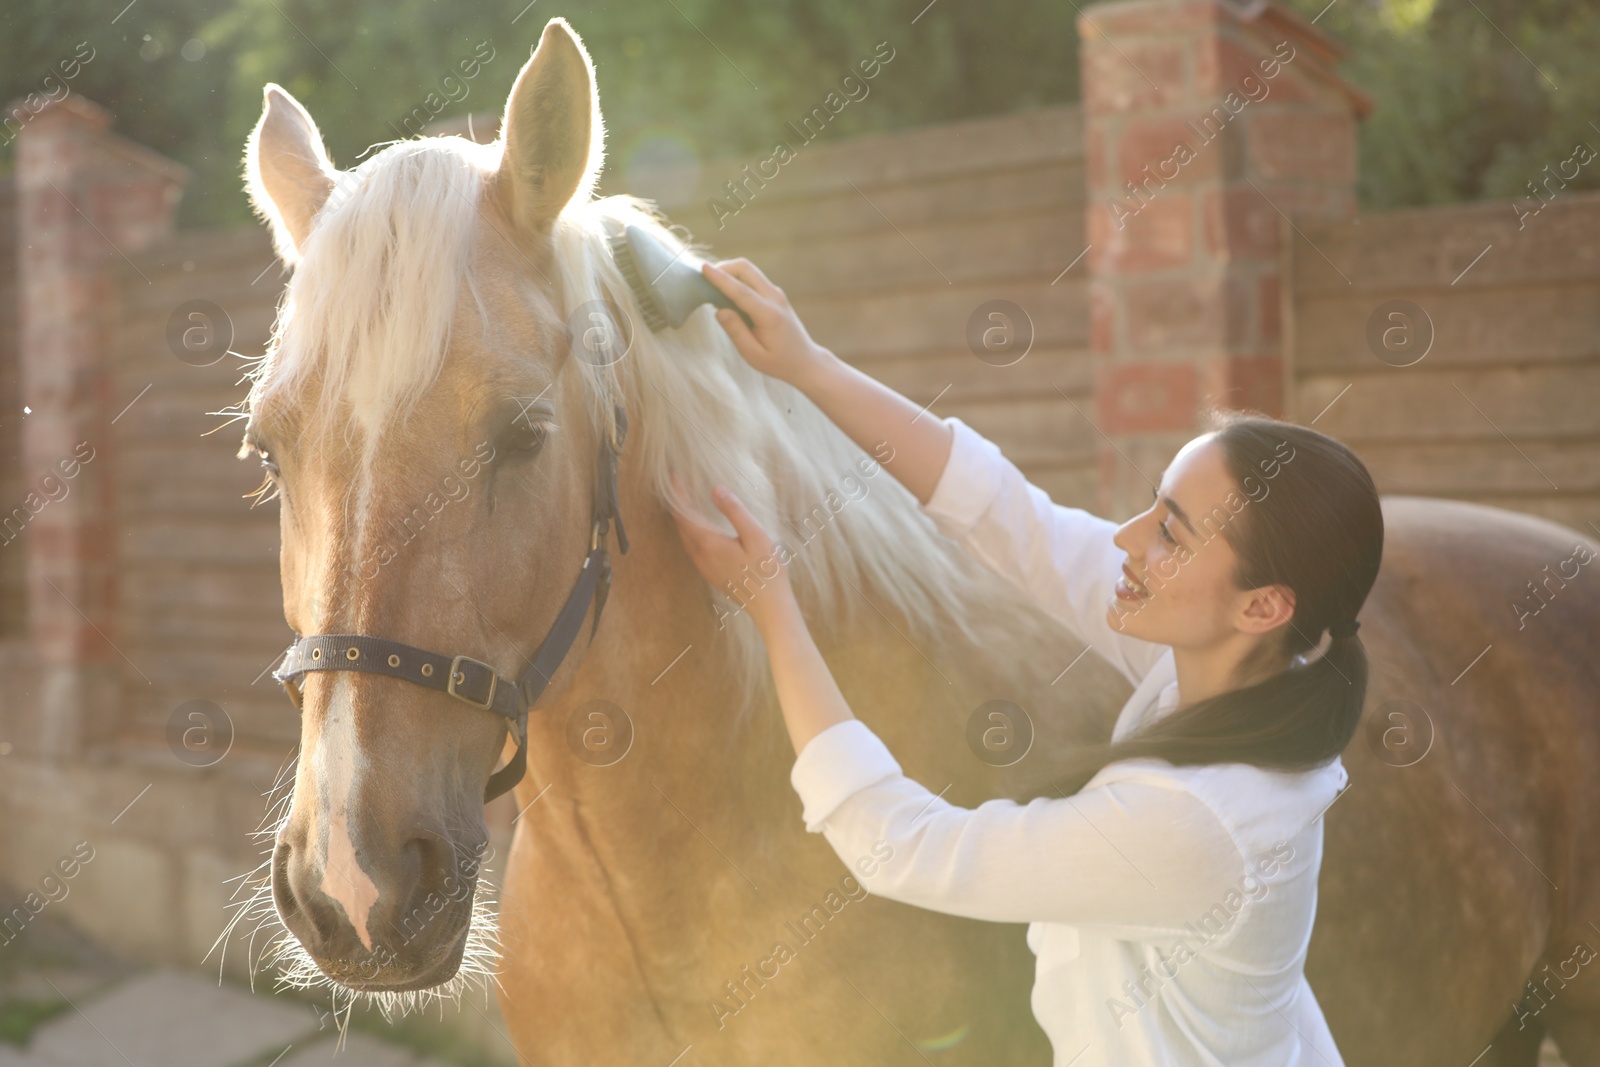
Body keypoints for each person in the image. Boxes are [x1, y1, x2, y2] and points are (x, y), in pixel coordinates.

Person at [669, 257, 1383, 1066]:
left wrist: (773, 608)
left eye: (1171, 532)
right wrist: (807, 365)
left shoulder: (1196, 822)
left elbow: (899, 844)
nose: (1127, 536)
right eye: (1152, 502)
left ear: (1263, 606)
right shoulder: (1247, 671)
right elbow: (1013, 517)